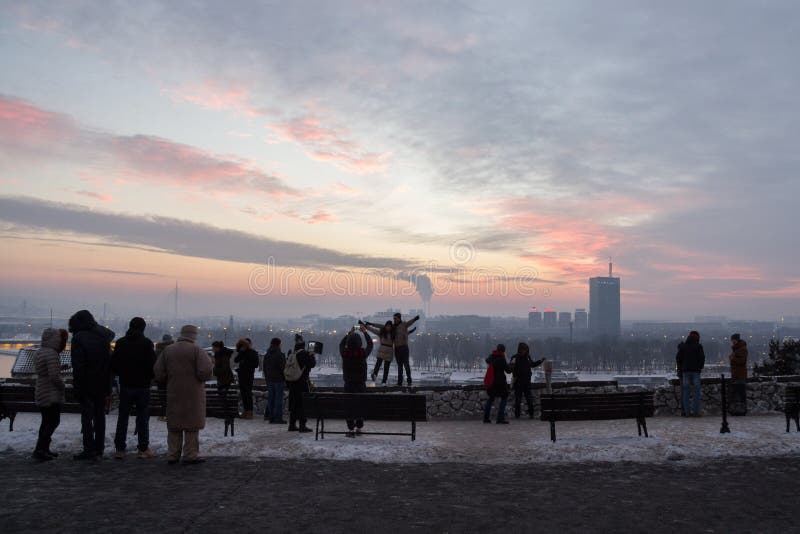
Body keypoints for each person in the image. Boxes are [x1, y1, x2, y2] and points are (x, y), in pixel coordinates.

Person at [153, 325, 213, 465]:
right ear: (194, 335)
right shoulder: (197, 350)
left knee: (174, 425)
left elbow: (158, 371)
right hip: (193, 393)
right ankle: (190, 454)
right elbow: (205, 372)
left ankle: (173, 454)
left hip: (174, 391)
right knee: (192, 426)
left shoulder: (168, 350)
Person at [69, 309, 115, 460]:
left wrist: (78, 386)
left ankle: (89, 449)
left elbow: (78, 366)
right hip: (102, 382)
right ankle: (99, 448)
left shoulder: (78, 338)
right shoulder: (104, 336)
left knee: (87, 418)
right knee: (100, 416)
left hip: (86, 383)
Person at [111, 317, 157, 459]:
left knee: (123, 417)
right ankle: (143, 448)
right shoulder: (147, 344)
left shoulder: (120, 343)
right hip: (143, 386)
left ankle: (120, 448)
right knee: (142, 417)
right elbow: (152, 365)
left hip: (126, 385)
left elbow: (114, 364)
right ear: (143, 328)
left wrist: (123, 374)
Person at [33, 327, 68, 461]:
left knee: (46, 422)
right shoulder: (52, 353)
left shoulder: (40, 352)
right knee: (53, 421)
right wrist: (62, 385)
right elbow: (54, 377)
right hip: (51, 392)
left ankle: (42, 449)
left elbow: (45, 370)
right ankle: (41, 449)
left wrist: (60, 367)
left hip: (42, 389)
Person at [340, 326, 374, 436]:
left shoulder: (345, 354)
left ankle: (350, 428)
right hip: (360, 385)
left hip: (348, 385)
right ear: (359, 343)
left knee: (348, 406)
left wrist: (349, 333)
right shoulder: (362, 354)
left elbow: (341, 344)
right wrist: (365, 332)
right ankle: (359, 427)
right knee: (360, 405)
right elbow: (370, 344)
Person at [285, 334, 315, 433]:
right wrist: (312, 354)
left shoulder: (292, 354)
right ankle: (302, 425)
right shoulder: (305, 354)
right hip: (302, 382)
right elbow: (312, 364)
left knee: (294, 404)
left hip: (292, 382)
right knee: (302, 404)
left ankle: (292, 424)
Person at [510, 342, 545, 419]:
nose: (524, 351)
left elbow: (532, 364)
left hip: (526, 382)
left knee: (529, 399)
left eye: (525, 350)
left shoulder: (527, 357)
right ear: (520, 350)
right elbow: (510, 368)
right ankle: (517, 415)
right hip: (518, 382)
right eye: (523, 350)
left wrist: (540, 361)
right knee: (518, 400)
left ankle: (531, 415)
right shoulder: (515, 357)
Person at [676, 331, 706, 417]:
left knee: (686, 392)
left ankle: (687, 412)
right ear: (697, 338)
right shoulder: (698, 346)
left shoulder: (684, 346)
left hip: (685, 371)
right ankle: (696, 412)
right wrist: (700, 367)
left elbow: (678, 358)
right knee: (696, 392)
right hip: (696, 371)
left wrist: (682, 367)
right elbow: (702, 358)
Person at [484, 344, 512, 424]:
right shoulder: (501, 359)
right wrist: (512, 365)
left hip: (491, 382)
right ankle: (500, 418)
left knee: (490, 399)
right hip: (500, 383)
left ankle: (486, 418)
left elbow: (487, 361)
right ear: (503, 351)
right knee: (504, 398)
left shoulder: (491, 357)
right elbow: (508, 371)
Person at [263, 337, 287, 423]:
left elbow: (264, 368)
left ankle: (271, 417)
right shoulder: (279, 355)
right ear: (279, 344)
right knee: (278, 399)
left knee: (271, 399)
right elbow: (283, 368)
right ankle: (278, 418)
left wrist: (267, 378)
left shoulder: (267, 355)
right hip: (278, 380)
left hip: (269, 380)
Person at [234, 338, 259, 419]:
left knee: (248, 393)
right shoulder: (242, 352)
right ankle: (246, 411)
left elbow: (255, 364)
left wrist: (245, 362)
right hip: (242, 375)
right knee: (243, 394)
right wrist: (241, 352)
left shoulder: (253, 352)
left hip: (248, 375)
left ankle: (250, 412)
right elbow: (236, 360)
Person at [392, 312, 419, 386]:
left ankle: (409, 380)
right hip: (397, 349)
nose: (394, 320)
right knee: (399, 366)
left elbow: (409, 323)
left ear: (399, 318)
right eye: (393, 318)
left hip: (404, 348)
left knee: (406, 365)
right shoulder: (393, 327)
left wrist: (415, 319)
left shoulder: (404, 325)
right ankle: (399, 382)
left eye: (395, 318)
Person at [363, 321, 393, 385]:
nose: (388, 327)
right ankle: (375, 374)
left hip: (389, 351)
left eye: (389, 326)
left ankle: (384, 381)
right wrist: (366, 326)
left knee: (386, 367)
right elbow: (373, 330)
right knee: (378, 363)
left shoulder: (393, 333)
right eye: (387, 326)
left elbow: (401, 334)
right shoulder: (382, 332)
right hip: (383, 349)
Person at [211, 341, 235, 422]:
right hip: (223, 378)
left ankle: (227, 414)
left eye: (213, 348)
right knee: (222, 396)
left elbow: (224, 368)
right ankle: (226, 414)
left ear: (217, 347)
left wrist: (215, 370)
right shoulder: (220, 354)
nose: (212, 349)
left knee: (223, 396)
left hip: (225, 378)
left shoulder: (223, 355)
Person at [155, 334, 174, 421]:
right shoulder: (174, 349)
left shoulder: (158, 350)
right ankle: (171, 414)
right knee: (171, 397)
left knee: (162, 397)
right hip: (172, 377)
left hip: (160, 377)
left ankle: (163, 414)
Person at [729, 333, 749, 416]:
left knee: (740, 393)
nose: (732, 342)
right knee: (738, 393)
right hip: (736, 374)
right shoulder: (737, 349)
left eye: (733, 340)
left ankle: (741, 410)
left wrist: (732, 357)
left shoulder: (742, 349)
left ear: (737, 340)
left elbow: (742, 361)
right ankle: (738, 410)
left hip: (739, 375)